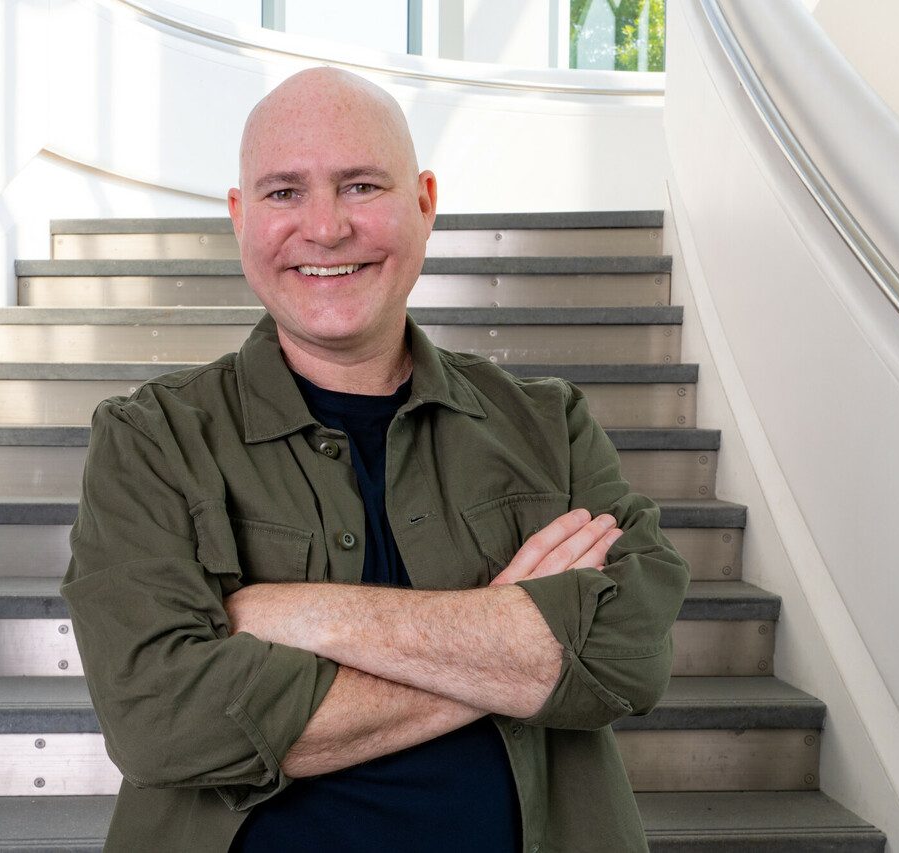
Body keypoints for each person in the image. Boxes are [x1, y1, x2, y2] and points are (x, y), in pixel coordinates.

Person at [61, 66, 690, 853]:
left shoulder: (547, 424)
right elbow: (160, 718)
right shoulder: (151, 438)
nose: (325, 228)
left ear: (424, 203)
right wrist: (510, 646)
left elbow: (627, 656)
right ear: (240, 217)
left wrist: (308, 613)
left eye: (360, 186)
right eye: (284, 192)